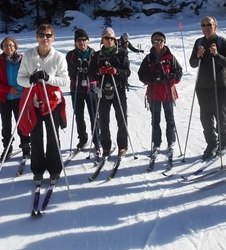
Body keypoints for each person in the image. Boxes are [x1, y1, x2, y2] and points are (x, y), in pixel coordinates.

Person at [17, 24, 69, 181]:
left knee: (53, 135)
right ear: (36, 37)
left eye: (48, 35)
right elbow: (20, 78)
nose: (44, 38)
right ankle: (37, 169)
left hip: (52, 101)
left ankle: (55, 168)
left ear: (53, 38)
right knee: (36, 135)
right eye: (41, 35)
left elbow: (65, 80)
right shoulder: (28, 55)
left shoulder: (58, 56)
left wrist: (48, 78)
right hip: (34, 102)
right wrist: (30, 80)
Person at [189, 16, 226, 160]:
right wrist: (198, 55)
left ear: (215, 26)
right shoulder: (199, 42)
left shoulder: (221, 41)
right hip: (202, 86)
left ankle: (224, 142)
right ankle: (211, 143)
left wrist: (217, 55)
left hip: (219, 85)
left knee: (221, 115)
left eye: (209, 24)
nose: (206, 27)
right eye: (203, 25)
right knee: (205, 117)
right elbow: (193, 63)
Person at [88, 27, 131, 157]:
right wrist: (99, 72)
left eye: (111, 38)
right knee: (104, 120)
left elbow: (127, 72)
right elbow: (90, 74)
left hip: (118, 89)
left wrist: (116, 71)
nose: (109, 40)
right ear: (102, 40)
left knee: (121, 119)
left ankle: (122, 146)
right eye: (106, 38)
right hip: (102, 90)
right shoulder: (96, 55)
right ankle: (106, 146)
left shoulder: (121, 53)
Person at [138, 31, 182, 153]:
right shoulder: (148, 58)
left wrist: (168, 77)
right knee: (155, 119)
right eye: (155, 41)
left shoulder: (170, 57)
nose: (158, 43)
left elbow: (179, 73)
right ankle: (156, 142)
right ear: (152, 43)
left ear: (165, 41)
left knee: (170, 118)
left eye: (161, 40)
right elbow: (141, 75)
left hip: (168, 92)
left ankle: (171, 141)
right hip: (154, 94)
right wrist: (152, 77)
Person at [0, 37, 30, 159]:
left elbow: (29, 75)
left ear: (15, 47)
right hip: (5, 99)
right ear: (2, 48)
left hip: (21, 98)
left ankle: (25, 147)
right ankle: (7, 148)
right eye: (6, 46)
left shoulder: (23, 60)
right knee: (6, 125)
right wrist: (9, 89)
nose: (9, 48)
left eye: (11, 45)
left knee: (22, 124)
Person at [66, 29, 99, 151]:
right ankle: (82, 138)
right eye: (79, 40)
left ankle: (97, 138)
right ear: (75, 42)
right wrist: (75, 66)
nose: (82, 43)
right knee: (79, 115)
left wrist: (88, 68)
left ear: (88, 41)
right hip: (76, 89)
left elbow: (97, 72)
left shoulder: (94, 54)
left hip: (91, 88)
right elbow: (68, 73)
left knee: (94, 115)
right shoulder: (71, 55)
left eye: (84, 40)